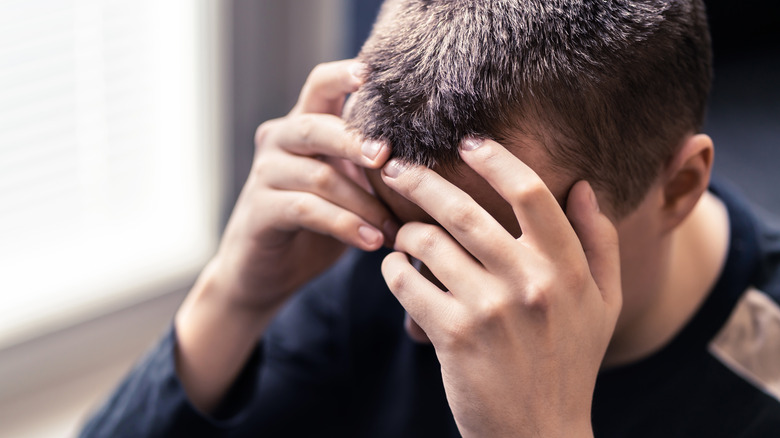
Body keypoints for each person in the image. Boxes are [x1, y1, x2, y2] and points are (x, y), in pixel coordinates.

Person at [80, 0, 780, 436]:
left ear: (679, 185)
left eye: (483, 253)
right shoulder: (373, 267)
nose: (424, 315)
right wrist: (233, 293)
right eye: (407, 234)